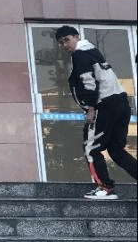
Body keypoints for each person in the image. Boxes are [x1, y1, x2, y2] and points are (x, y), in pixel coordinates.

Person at [57, 26, 137, 199]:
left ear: (76, 36)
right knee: (116, 149)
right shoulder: (93, 52)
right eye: (61, 43)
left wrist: (90, 108)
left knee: (91, 147)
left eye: (67, 40)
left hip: (104, 105)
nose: (65, 45)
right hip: (121, 103)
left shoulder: (79, 55)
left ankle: (104, 188)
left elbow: (88, 82)